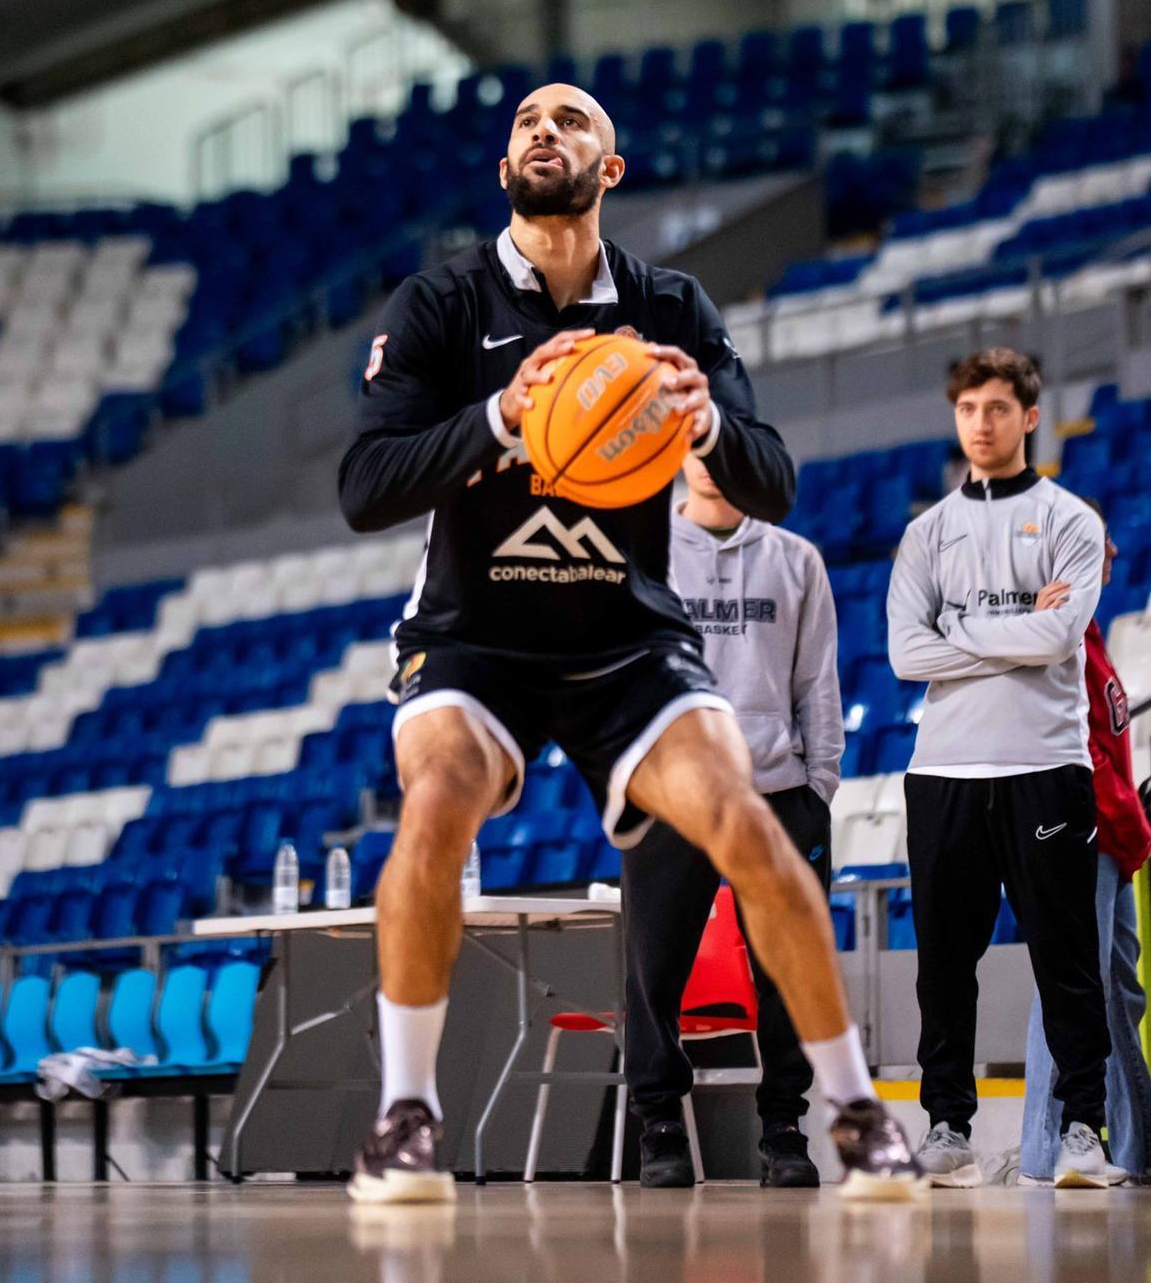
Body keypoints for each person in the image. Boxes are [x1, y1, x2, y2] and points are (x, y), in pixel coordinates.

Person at [338, 82, 924, 1203]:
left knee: (748, 819)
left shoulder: (671, 308)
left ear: (611, 167)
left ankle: (855, 1110)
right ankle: (406, 1116)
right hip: (476, 631)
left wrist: (705, 420)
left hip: (623, 630)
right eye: (524, 122)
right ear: (504, 164)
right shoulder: (440, 305)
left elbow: (775, 475)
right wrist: (503, 416)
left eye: (569, 121)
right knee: (436, 797)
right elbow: (364, 486)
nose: (541, 131)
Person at [887, 347, 1112, 1189]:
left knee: (1066, 956)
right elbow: (906, 655)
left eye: (996, 407)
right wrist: (1010, 640)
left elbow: (1058, 641)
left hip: (1046, 766)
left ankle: (1082, 1130)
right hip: (944, 772)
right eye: (967, 408)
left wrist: (957, 637)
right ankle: (948, 1127)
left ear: (1028, 415)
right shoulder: (926, 533)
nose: (980, 423)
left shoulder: (1072, 522)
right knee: (944, 962)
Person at [622, 448, 844, 1188]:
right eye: (698, 448)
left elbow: (817, 681)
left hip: (777, 792)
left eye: (725, 449)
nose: (711, 464)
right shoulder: (640, 552)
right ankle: (658, 1124)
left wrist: (818, 788)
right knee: (653, 969)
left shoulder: (797, 559)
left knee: (786, 971)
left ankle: (784, 1127)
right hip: (672, 790)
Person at [1020, 502, 1151, 1186]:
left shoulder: (1091, 637)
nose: (1114, 555)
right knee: (1072, 989)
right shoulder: (1056, 636)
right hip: (1081, 834)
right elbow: (1066, 747)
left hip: (1114, 840)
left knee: (1118, 991)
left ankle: (1137, 1145)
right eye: (1101, 544)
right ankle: (1044, 1153)